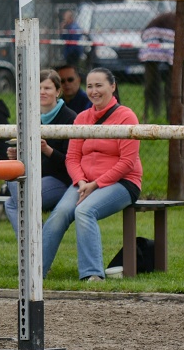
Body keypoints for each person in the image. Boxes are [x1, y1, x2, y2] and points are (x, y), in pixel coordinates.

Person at [41, 68, 142, 282]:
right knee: (60, 213)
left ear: (112, 87)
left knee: (84, 211)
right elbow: (72, 157)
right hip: (84, 182)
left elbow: (127, 162)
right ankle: (34, 271)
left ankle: (92, 274)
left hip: (122, 182)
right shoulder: (82, 118)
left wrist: (95, 184)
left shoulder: (127, 116)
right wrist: (81, 181)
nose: (94, 91)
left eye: (99, 85)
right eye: (89, 86)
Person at [4, 69, 77, 234]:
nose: (42, 92)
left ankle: (36, 247)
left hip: (62, 180)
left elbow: (71, 162)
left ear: (58, 91)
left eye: (47, 88)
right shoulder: (30, 117)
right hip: (36, 178)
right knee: (10, 201)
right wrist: (18, 155)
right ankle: (39, 244)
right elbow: (31, 159)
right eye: (38, 88)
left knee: (21, 200)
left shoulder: (70, 118)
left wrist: (47, 150)